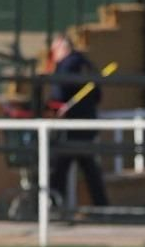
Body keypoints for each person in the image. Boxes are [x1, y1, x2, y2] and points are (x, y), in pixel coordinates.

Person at [46, 33, 110, 211]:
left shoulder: (67, 65)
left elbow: (59, 92)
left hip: (72, 126)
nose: (53, 54)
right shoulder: (85, 64)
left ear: (62, 48)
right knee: (88, 168)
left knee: (61, 167)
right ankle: (102, 206)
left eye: (54, 49)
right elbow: (97, 96)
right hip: (86, 125)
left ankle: (54, 204)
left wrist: (56, 105)